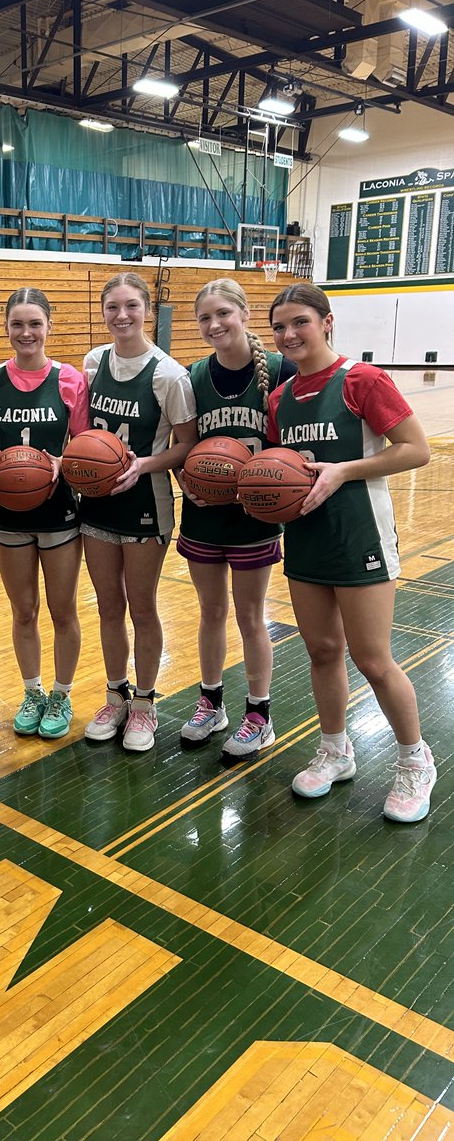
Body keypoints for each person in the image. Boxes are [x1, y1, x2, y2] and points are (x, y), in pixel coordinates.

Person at [267, 283, 435, 823]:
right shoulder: (280, 397)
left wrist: (344, 471)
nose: (289, 335)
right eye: (280, 327)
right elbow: (280, 472)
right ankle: (336, 751)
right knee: (320, 651)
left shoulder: (362, 380)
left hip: (361, 532)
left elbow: (416, 449)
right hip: (306, 536)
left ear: (327, 322)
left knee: (373, 659)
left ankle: (415, 761)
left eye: (300, 322)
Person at [177, 278, 296, 761]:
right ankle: (211, 703)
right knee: (210, 613)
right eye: (205, 317)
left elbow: (293, 446)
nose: (214, 324)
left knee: (250, 615)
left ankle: (258, 715)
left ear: (246, 314)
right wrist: (186, 480)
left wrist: (269, 493)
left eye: (223, 313)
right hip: (204, 515)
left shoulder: (283, 370)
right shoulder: (194, 374)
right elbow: (180, 444)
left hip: (255, 520)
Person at [82, 271, 198, 751]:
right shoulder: (93, 363)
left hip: (146, 504)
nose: (122, 315)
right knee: (108, 607)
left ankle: (146, 704)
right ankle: (116, 695)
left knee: (142, 607)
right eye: (113, 307)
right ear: (104, 311)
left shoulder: (169, 374)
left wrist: (143, 463)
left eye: (131, 306)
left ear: (147, 309)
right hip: (96, 503)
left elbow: (187, 445)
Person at [0, 287, 90, 741]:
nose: (26, 332)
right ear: (7, 328)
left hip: (59, 508)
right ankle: (32, 692)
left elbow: (82, 447)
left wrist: (58, 466)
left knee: (63, 611)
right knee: (23, 610)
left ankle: (61, 695)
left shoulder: (70, 380)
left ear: (49, 326)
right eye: (18, 324)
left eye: (34, 323)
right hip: (8, 511)